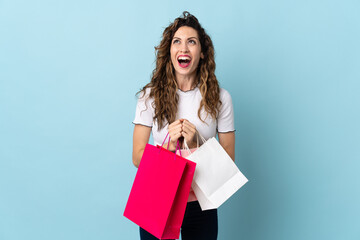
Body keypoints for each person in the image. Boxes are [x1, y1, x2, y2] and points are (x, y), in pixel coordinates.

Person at [132, 11, 235, 240]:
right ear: (169, 51)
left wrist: (198, 142)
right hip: (158, 195)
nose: (184, 48)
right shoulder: (149, 97)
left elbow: (229, 158)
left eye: (192, 42)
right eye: (177, 41)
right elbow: (137, 156)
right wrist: (166, 150)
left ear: (202, 52)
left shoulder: (220, 98)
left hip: (201, 201)